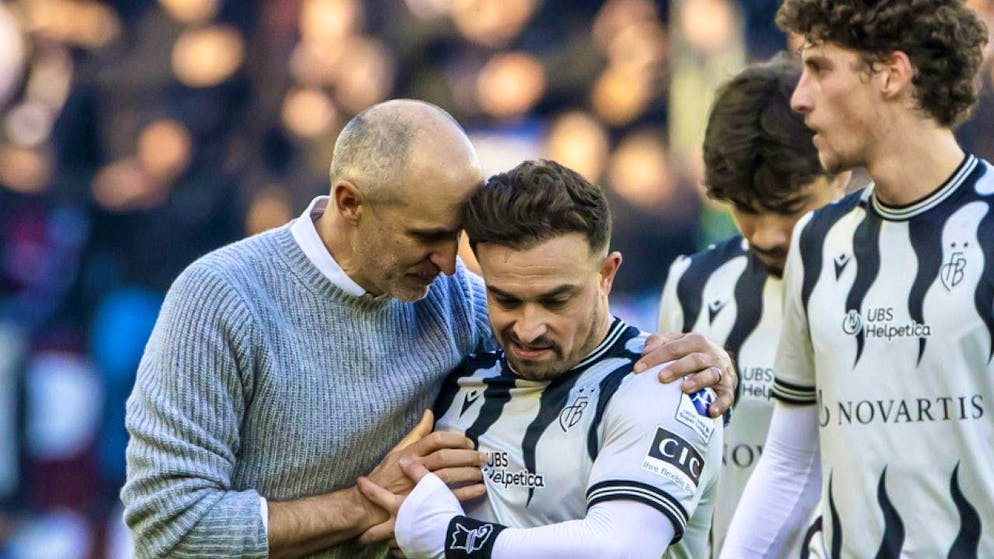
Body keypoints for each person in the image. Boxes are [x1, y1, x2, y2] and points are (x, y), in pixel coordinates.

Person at [121, 99, 739, 559]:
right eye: (427, 237)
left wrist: (707, 360)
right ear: (350, 202)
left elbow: (566, 323)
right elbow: (169, 526)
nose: (449, 263)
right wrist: (367, 503)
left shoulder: (458, 300)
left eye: (457, 238)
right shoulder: (222, 299)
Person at [721, 2, 994, 557]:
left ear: (892, 74)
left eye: (819, 68)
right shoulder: (817, 241)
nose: (799, 97)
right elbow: (791, 463)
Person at [357, 159, 724, 559]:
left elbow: (621, 548)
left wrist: (450, 538)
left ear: (606, 274)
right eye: (506, 299)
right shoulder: (460, 374)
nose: (528, 328)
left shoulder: (667, 382)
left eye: (556, 300)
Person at [656, 55, 849, 557]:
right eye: (745, 208)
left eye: (790, 208)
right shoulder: (694, 285)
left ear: (841, 175)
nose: (767, 235)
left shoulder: (883, 283)